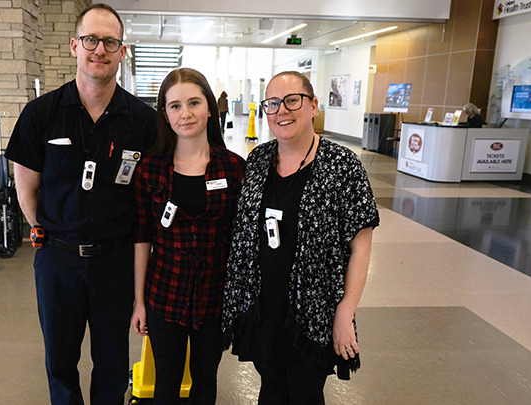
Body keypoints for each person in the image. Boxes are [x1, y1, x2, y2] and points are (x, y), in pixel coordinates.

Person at [5, 4, 156, 404]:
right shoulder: (41, 114)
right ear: (75, 46)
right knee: (60, 360)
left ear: (122, 51)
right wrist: (51, 233)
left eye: (111, 42)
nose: (100, 49)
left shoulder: (142, 120)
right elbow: (26, 190)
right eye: (91, 39)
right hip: (57, 261)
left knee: (111, 361)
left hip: (115, 262)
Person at [221, 71, 379, 404]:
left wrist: (345, 312)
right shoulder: (259, 161)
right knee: (271, 388)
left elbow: (360, 248)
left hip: (314, 312)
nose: (282, 111)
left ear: (313, 106)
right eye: (273, 103)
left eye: (293, 100)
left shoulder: (342, 165)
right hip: (265, 308)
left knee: (305, 392)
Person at [131, 68, 245, 405]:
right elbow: (142, 238)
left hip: (215, 296)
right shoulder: (150, 169)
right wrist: (138, 302)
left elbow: (242, 241)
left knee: (205, 381)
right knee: (166, 382)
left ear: (210, 107)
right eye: (175, 106)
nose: (186, 114)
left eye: (194, 103)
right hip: (165, 293)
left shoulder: (233, 168)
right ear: (164, 114)